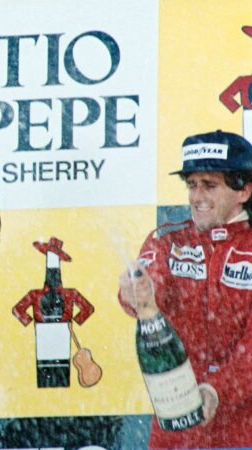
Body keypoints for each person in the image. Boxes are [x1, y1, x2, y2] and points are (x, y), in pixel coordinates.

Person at [118, 130, 252, 449]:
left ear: (243, 190)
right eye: (191, 184)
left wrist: (216, 389)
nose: (196, 196)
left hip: (243, 431)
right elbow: (148, 290)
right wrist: (136, 291)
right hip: (176, 430)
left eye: (210, 185)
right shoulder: (168, 239)